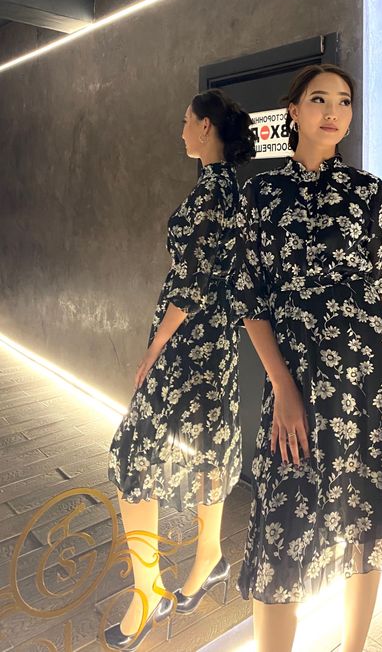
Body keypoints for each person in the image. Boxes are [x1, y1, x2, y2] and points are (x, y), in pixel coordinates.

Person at [231, 64, 382, 652]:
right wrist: (282, 388)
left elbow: (381, 284)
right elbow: (248, 297)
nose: (334, 112)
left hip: (372, 379)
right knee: (282, 529)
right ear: (293, 111)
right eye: (319, 99)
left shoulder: (368, 191)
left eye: (344, 101)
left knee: (365, 519)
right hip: (297, 378)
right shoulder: (260, 193)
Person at [105, 88, 256, 650]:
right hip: (215, 346)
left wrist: (154, 348)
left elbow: (190, 285)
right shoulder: (230, 189)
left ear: (206, 127)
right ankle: (209, 556)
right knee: (207, 446)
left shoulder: (211, 194)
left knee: (133, 457)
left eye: (187, 121)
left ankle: (147, 590)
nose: (182, 129)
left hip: (187, 346)